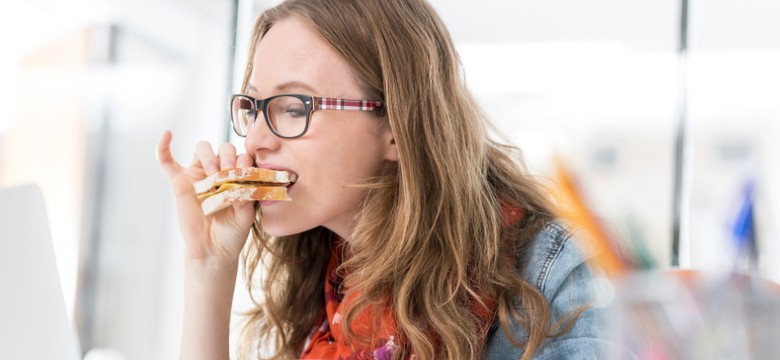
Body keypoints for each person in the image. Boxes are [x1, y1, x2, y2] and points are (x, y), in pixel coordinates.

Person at [156, 0, 613, 359]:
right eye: (253, 107)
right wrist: (208, 268)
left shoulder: (548, 279)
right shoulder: (322, 286)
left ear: (396, 127)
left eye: (294, 108)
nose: (254, 141)